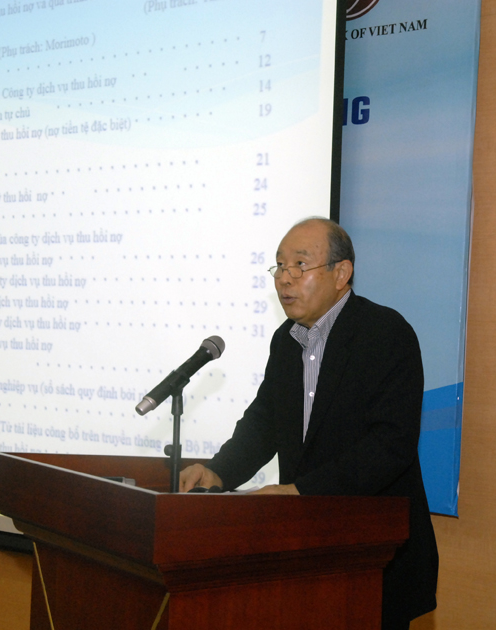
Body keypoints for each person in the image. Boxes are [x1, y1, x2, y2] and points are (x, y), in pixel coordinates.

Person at [179, 218, 438, 629]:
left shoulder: (386, 333)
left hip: (374, 556)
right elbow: (264, 423)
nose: (285, 278)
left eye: (300, 265)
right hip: (303, 551)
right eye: (280, 266)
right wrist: (218, 471)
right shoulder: (285, 341)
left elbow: (390, 445)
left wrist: (301, 492)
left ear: (341, 273)